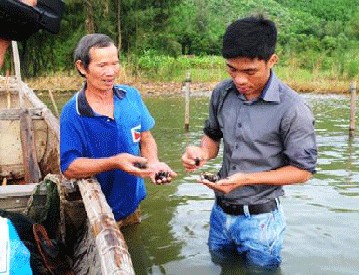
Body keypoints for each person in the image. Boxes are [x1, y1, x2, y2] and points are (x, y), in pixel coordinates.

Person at [181, 15, 317, 270]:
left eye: (250, 71)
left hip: (261, 222)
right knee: (222, 267)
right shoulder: (222, 93)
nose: (239, 80)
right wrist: (200, 153)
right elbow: (212, 137)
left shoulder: (293, 109)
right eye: (232, 69)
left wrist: (245, 179)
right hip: (220, 214)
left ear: (272, 61)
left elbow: (303, 172)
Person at [60, 33, 177, 226]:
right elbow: (70, 167)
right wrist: (116, 162)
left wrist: (153, 163)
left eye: (115, 63)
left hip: (133, 204)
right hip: (98, 212)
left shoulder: (131, 96)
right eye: (102, 65)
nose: (111, 72)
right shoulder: (73, 113)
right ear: (82, 67)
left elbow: (146, 137)